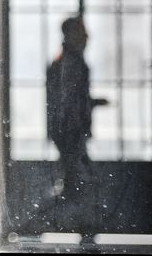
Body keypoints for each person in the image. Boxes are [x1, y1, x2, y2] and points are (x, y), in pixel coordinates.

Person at [46, 16, 108, 201]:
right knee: (77, 180)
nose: (87, 37)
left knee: (76, 177)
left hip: (69, 129)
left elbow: (69, 98)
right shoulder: (70, 64)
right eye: (82, 33)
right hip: (70, 130)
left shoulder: (66, 62)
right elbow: (68, 100)